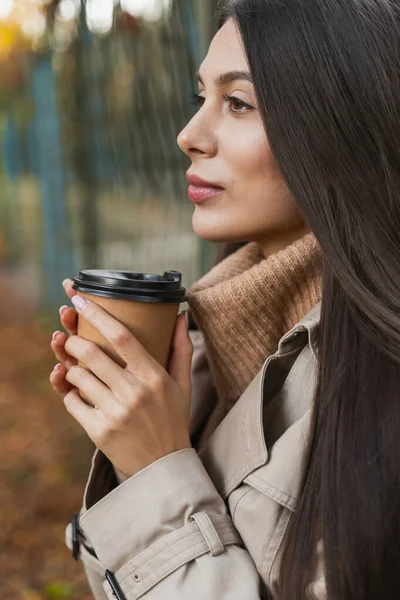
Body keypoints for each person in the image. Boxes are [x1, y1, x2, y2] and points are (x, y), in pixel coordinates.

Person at [49, 0, 400, 598]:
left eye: (238, 103)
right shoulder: (210, 346)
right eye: (200, 98)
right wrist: (139, 440)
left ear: (345, 127)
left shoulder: (380, 388)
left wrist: (156, 468)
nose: (189, 136)